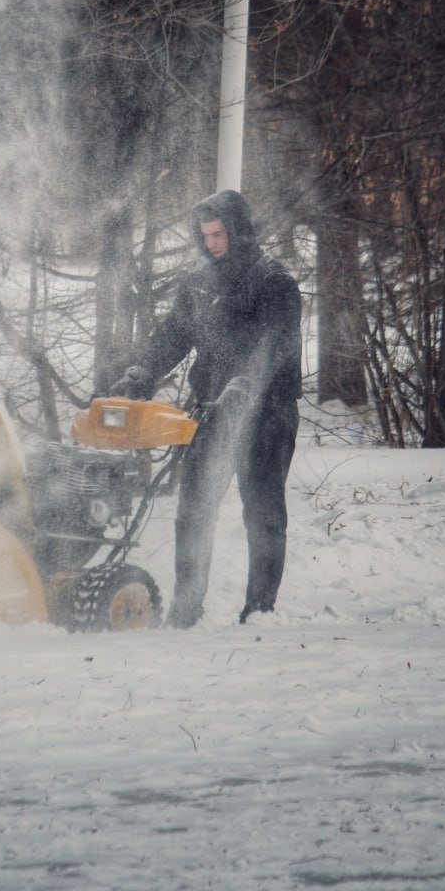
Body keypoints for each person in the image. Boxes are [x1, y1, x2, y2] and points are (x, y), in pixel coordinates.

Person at [110, 190, 302, 627]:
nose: (212, 243)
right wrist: (142, 374)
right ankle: (186, 606)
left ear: (239, 231)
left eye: (218, 234)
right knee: (194, 509)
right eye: (204, 236)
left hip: (267, 413)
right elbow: (173, 336)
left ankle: (259, 610)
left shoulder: (274, 283)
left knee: (263, 512)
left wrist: (245, 386)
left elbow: (275, 345)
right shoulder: (198, 284)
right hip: (211, 412)